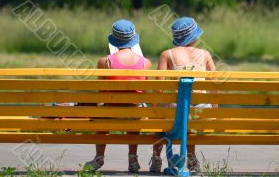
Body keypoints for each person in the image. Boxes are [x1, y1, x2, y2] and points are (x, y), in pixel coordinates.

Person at [149, 17, 215, 173]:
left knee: (161, 117)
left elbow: (159, 87)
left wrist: (154, 110)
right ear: (195, 37)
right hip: (201, 111)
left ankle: (157, 157)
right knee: (190, 117)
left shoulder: (167, 54)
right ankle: (191, 158)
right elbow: (215, 85)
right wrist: (215, 109)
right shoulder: (205, 54)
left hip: (174, 111)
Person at [84, 19, 151, 172]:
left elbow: (101, 92)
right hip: (135, 112)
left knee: (101, 111)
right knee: (137, 107)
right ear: (134, 39)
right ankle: (133, 158)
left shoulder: (104, 62)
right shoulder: (145, 63)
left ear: (114, 40)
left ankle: (99, 157)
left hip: (111, 111)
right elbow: (144, 93)